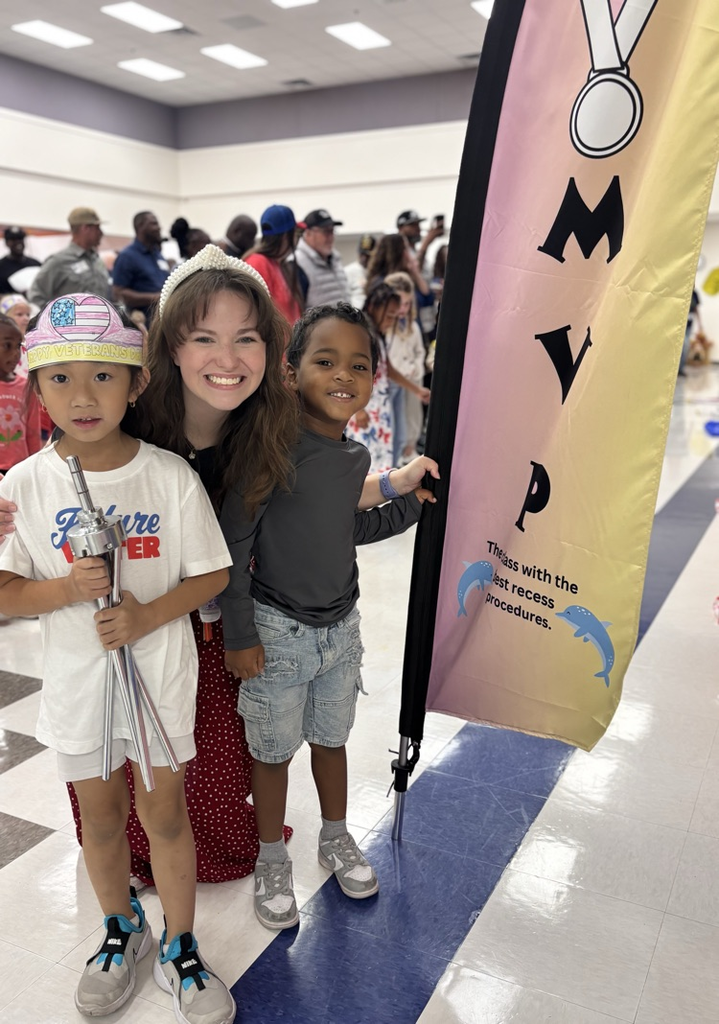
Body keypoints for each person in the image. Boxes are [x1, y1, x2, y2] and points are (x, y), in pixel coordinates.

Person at [0, 293, 236, 1023]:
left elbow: (212, 574)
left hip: (159, 685)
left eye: (103, 377)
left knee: (164, 817)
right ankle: (118, 928)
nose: (82, 395)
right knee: (99, 822)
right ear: (35, 388)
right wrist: (69, 587)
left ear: (136, 384)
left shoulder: (168, 476)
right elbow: (7, 591)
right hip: (77, 691)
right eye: (61, 378)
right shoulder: (26, 486)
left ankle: (181, 943)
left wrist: (144, 614)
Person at [219, 300, 439, 930]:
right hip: (276, 632)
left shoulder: (351, 456)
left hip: (341, 628)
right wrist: (238, 632)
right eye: (325, 361)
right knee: (272, 751)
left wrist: (413, 501)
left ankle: (335, 835)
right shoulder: (268, 450)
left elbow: (345, 531)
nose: (344, 374)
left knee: (333, 738)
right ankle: (270, 857)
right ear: (290, 372)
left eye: (359, 364)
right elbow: (235, 546)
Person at [345, 282, 431, 473]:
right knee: (362, 461)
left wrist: (416, 390)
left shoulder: (377, 334)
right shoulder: (361, 334)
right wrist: (357, 410)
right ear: (375, 307)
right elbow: (348, 373)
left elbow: (387, 369)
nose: (392, 320)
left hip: (379, 408)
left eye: (394, 316)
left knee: (381, 457)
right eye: (390, 315)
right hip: (363, 408)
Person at [384, 272, 427, 465]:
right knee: (395, 421)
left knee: (412, 416)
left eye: (408, 304)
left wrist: (416, 367)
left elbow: (420, 352)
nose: (403, 309)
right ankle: (396, 456)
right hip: (393, 383)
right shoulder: (384, 329)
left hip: (412, 380)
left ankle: (409, 449)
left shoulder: (413, 328)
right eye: (400, 303)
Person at [28, 208, 109, 307]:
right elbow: (36, 296)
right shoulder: (59, 261)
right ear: (85, 228)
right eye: (97, 228)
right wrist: (56, 317)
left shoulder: (96, 260)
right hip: (73, 321)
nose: (101, 233)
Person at [243, 205, 306, 325]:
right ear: (285, 237)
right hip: (277, 342)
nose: (297, 238)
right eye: (296, 233)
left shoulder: (279, 263)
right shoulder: (258, 263)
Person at [112, 211, 170, 323]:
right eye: (153, 224)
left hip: (164, 321)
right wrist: (157, 298)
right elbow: (118, 293)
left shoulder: (157, 254)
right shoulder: (127, 256)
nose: (159, 228)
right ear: (140, 227)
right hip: (142, 324)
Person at [0, 313, 41, 471]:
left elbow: (33, 432)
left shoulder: (25, 386)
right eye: (7, 345)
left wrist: (34, 467)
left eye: (18, 346)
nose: (16, 353)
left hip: (19, 470)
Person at [294, 209, 350, 307]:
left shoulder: (335, 259)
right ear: (308, 233)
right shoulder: (298, 263)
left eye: (332, 231)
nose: (331, 237)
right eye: (326, 232)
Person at [0, 226, 40, 295]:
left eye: (20, 239)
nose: (18, 242)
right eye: (13, 239)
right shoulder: (1, 266)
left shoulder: (35, 263)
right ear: (6, 243)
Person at [345, 234, 377, 308]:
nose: (364, 259)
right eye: (362, 254)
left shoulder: (377, 272)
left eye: (368, 256)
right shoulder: (348, 271)